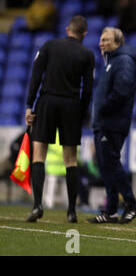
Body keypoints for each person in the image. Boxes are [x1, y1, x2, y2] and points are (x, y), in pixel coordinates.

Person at [25, 15, 95, 223]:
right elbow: (88, 89)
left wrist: (30, 104)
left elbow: (36, 76)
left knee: (39, 154)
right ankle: (71, 211)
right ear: (84, 34)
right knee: (71, 159)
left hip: (47, 101)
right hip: (71, 104)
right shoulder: (87, 54)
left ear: (67, 30)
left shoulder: (49, 46)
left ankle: (38, 205)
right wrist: (81, 112)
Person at [87, 27, 136, 224]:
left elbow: (122, 92)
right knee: (105, 166)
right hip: (105, 122)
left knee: (111, 163)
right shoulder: (112, 62)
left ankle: (131, 203)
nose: (102, 43)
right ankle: (110, 210)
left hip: (113, 123)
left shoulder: (123, 61)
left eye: (107, 40)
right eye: (101, 40)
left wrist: (102, 109)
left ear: (118, 43)